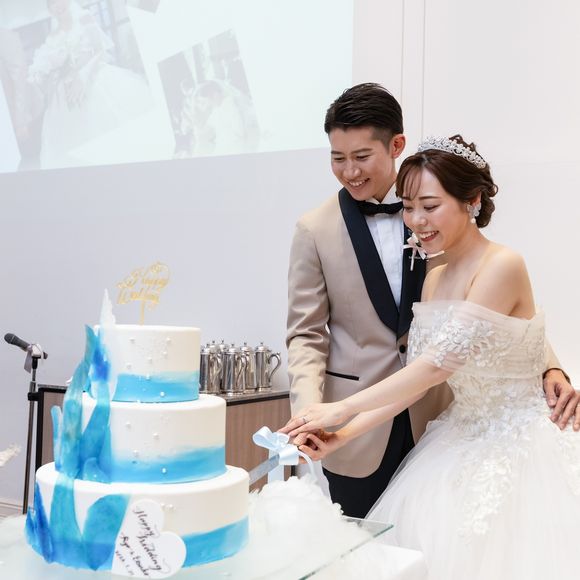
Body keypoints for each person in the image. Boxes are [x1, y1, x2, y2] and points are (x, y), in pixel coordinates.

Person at [283, 134, 580, 578]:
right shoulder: (434, 277)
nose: (416, 221)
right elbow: (418, 381)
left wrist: (342, 408)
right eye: (408, 207)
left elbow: (439, 365)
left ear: (472, 201)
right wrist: (344, 433)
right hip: (457, 440)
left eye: (429, 206)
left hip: (522, 449)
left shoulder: (503, 265)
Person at [28, 0, 151, 169]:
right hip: (68, 93)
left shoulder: (84, 18)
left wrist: (83, 75)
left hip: (94, 78)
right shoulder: (51, 37)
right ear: (49, 10)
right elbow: (55, 68)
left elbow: (100, 50)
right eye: (52, 4)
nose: (58, 5)